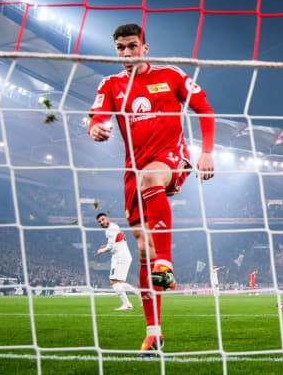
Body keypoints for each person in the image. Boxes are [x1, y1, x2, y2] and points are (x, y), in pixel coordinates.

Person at [88, 23, 215, 355]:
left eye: (132, 46)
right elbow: (97, 117)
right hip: (132, 171)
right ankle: (154, 331)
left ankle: (167, 263)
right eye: (120, 48)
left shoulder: (171, 76)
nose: (126, 53)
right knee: (144, 249)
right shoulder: (111, 85)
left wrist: (207, 151)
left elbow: (204, 109)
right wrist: (95, 129)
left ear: (145, 48)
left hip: (170, 158)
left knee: (150, 179)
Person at [96, 212, 139, 311]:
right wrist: (105, 246)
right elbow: (114, 243)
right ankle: (138, 293)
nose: (101, 222)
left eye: (103, 219)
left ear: (107, 218)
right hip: (122, 256)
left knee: (113, 282)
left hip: (120, 257)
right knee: (118, 282)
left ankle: (127, 304)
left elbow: (111, 246)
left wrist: (101, 251)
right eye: (99, 222)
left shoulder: (111, 229)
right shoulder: (113, 228)